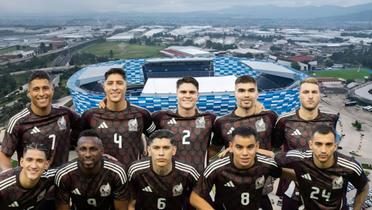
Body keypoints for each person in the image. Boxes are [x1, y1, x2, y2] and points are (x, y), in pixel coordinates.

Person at [211, 75, 277, 209]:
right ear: (234, 93)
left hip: (260, 190)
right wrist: (223, 154)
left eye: (251, 90)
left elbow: (279, 149)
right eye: (241, 91)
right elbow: (212, 156)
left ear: (257, 93)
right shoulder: (222, 122)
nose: (246, 95)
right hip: (229, 191)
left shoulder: (270, 117)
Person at [273, 77, 339, 209]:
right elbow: (275, 150)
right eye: (306, 92)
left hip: (321, 186)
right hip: (293, 188)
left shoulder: (331, 118)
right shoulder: (284, 120)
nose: (310, 96)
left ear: (320, 95)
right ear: (299, 95)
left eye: (314, 92)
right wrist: (290, 174)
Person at [0, 71, 81, 170]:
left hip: (61, 181)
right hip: (34, 183)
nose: (41, 93)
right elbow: (4, 155)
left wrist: (73, 143)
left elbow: (85, 124)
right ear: (29, 93)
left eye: (45, 88)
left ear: (52, 90)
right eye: (36, 89)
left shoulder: (65, 113)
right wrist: (12, 179)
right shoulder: (18, 122)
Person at [274, 125, 369, 210]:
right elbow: (272, 161)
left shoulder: (350, 166)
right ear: (311, 145)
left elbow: (364, 188)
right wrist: (298, 175)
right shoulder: (298, 157)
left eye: (328, 144)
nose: (323, 150)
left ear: (335, 146)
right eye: (318, 144)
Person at [190, 127, 282, 210]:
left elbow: (284, 173)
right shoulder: (216, 167)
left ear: (257, 147)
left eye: (250, 147)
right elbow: (195, 197)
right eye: (239, 147)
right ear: (231, 147)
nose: (245, 153)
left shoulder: (267, 164)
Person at [81, 68, 156, 167]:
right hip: (101, 178)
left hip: (132, 178)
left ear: (126, 86)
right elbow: (78, 145)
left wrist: (147, 153)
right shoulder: (90, 116)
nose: (115, 87)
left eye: (119, 83)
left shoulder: (142, 114)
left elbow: (157, 138)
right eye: (110, 83)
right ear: (104, 87)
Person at [152, 76, 216, 173]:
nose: (188, 95)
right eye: (183, 92)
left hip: (199, 179)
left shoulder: (210, 118)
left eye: (192, 92)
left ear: (198, 95)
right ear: (176, 93)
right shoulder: (161, 117)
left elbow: (216, 147)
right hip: (169, 178)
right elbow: (144, 136)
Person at [54, 129, 129, 210]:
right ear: (77, 151)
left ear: (102, 151)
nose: (87, 154)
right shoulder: (65, 174)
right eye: (83, 149)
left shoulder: (117, 172)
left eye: (93, 149)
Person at [128, 129, 199, 210]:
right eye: (156, 148)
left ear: (174, 150)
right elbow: (131, 204)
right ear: (149, 150)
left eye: (166, 148)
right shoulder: (136, 170)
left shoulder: (188, 172)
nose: (161, 153)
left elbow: (200, 200)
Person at [0, 143, 56, 210]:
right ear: (22, 162)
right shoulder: (3, 187)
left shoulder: (50, 177)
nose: (34, 166)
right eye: (29, 160)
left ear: (46, 164)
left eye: (39, 161)